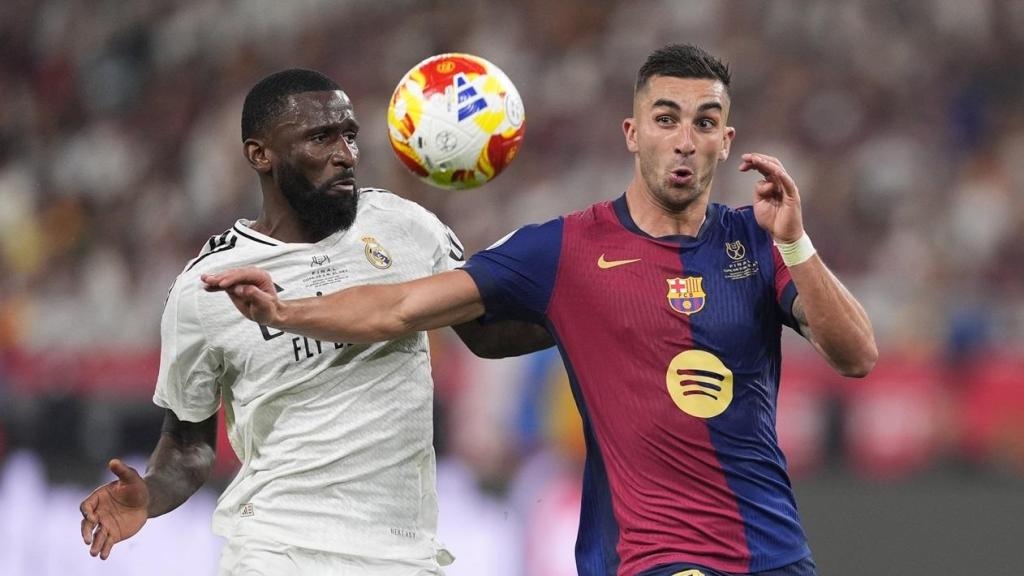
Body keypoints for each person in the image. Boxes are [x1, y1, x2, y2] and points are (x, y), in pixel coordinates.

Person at [203, 45, 878, 576]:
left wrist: (795, 241)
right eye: (666, 118)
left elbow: (856, 355)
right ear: (633, 133)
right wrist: (287, 311)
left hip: (776, 552)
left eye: (704, 123)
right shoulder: (566, 249)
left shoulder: (757, 240)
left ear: (725, 141)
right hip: (649, 557)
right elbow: (403, 307)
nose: (684, 139)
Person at [78, 68, 551, 575]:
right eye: (321, 138)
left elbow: (484, 333)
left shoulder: (406, 227)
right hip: (277, 549)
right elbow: (188, 445)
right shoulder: (205, 288)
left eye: (349, 135)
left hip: (403, 552)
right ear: (260, 154)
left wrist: (587, 314)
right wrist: (150, 493)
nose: (345, 154)